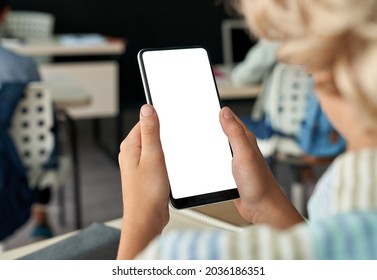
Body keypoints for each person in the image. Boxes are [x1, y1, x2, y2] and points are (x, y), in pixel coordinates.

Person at [117, 0, 377, 259]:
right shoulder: (343, 231)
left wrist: (143, 219)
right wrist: (266, 205)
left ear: (328, 75)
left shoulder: (186, 255)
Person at [0, 0, 53, 240]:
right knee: (50, 133)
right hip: (26, 156)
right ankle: (40, 215)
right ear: (5, 14)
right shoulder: (23, 65)